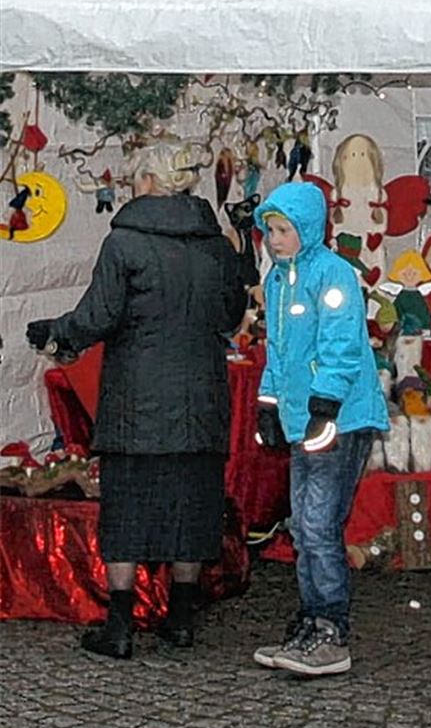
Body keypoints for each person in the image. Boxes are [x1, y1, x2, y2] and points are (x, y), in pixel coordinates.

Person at [25, 141, 248, 658]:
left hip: (138, 401)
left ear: (147, 182)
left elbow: (96, 318)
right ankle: (182, 619)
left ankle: (120, 627)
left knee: (127, 511)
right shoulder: (216, 245)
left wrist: (51, 333)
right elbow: (231, 315)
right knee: (192, 507)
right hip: (201, 400)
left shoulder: (125, 243)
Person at [250, 180, 387, 678]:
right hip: (301, 418)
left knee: (318, 524)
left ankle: (331, 627)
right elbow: (278, 351)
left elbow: (342, 343)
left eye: (284, 230)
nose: (276, 239)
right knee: (304, 525)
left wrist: (325, 402)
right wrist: (268, 403)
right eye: (270, 231)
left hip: (340, 417)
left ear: (308, 228)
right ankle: (311, 619)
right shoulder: (277, 281)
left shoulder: (334, 274)